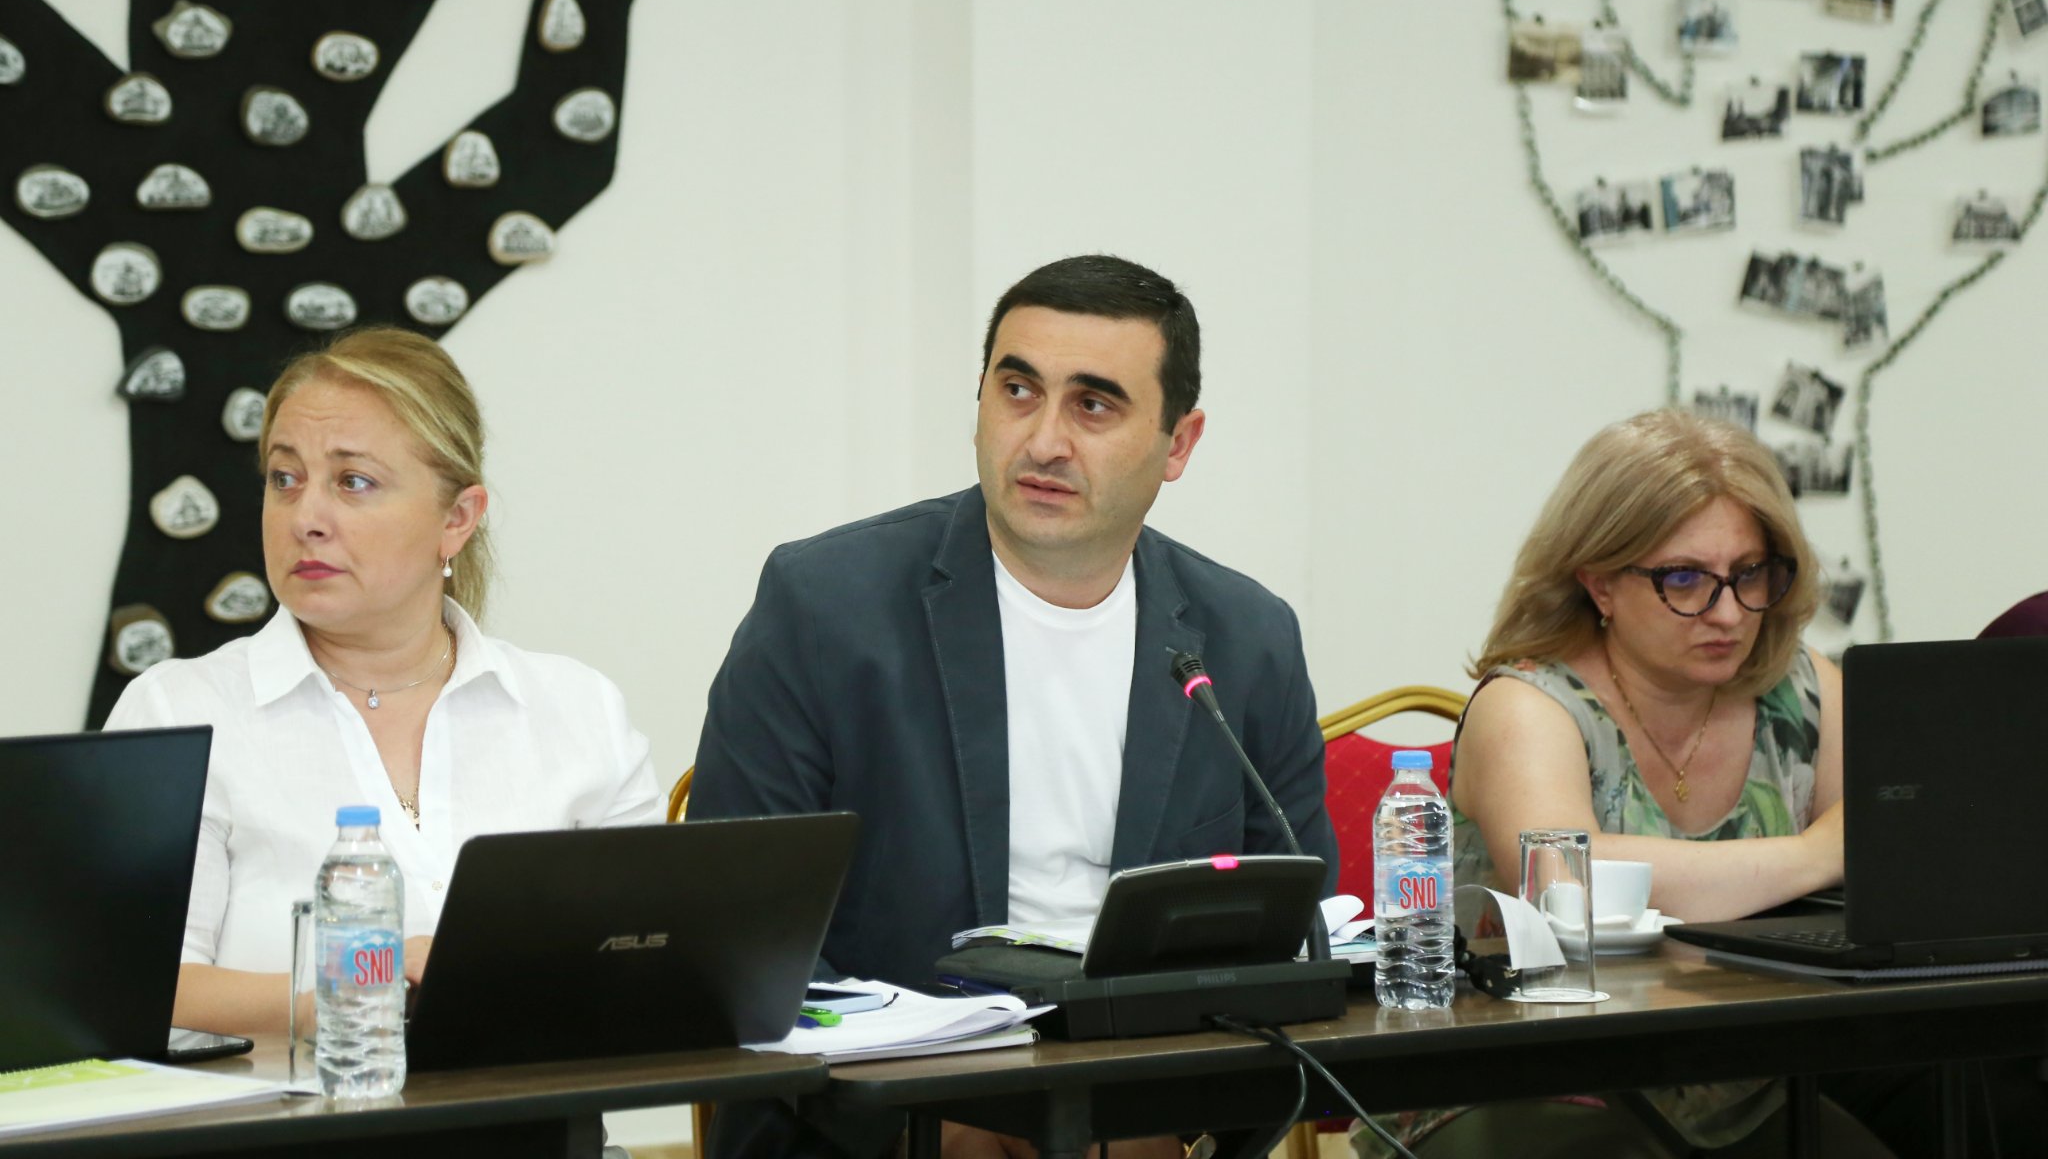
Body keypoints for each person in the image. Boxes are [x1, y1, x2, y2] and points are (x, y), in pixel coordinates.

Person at [692, 253, 1336, 1159]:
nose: (1043, 442)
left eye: (1094, 405)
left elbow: (1299, 933)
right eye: (1019, 390)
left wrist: (1175, 1115)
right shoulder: (826, 606)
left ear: (1179, 444)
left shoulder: (1246, 639)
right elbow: (741, 932)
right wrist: (925, 1116)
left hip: (1140, 1113)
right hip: (883, 1119)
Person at [105, 327, 660, 1035]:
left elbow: (650, 958)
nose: (306, 518)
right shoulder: (177, 711)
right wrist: (359, 990)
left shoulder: (578, 709)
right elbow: (134, 983)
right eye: (284, 479)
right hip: (285, 1104)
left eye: (353, 482)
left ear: (456, 519)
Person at [1361, 408, 1868, 1158]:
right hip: (1521, 1081)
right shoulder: (1526, 705)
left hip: (1740, 1082)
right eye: (1684, 579)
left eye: (1750, 574)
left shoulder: (1803, 689)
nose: (1729, 612)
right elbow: (1570, 884)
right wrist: (1819, 853)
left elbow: (1889, 854)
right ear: (1599, 582)